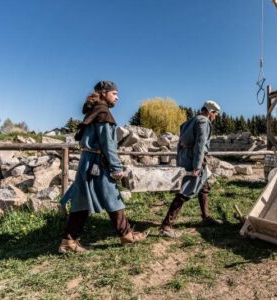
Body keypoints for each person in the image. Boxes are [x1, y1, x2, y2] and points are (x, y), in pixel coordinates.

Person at [58, 80, 147, 253]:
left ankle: (68, 241)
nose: (117, 97)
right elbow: (108, 144)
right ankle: (126, 236)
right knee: (112, 197)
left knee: (82, 201)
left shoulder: (94, 111)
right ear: (104, 93)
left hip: (87, 161)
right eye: (114, 93)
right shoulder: (103, 113)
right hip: (96, 163)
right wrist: (116, 167)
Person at [159, 100, 223, 238]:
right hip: (194, 159)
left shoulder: (190, 121)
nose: (215, 117)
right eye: (215, 114)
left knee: (204, 187)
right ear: (210, 112)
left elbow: (180, 144)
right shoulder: (204, 122)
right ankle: (166, 225)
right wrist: (197, 166)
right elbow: (200, 145)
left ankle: (206, 217)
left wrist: (180, 159)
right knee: (186, 191)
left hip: (186, 156)